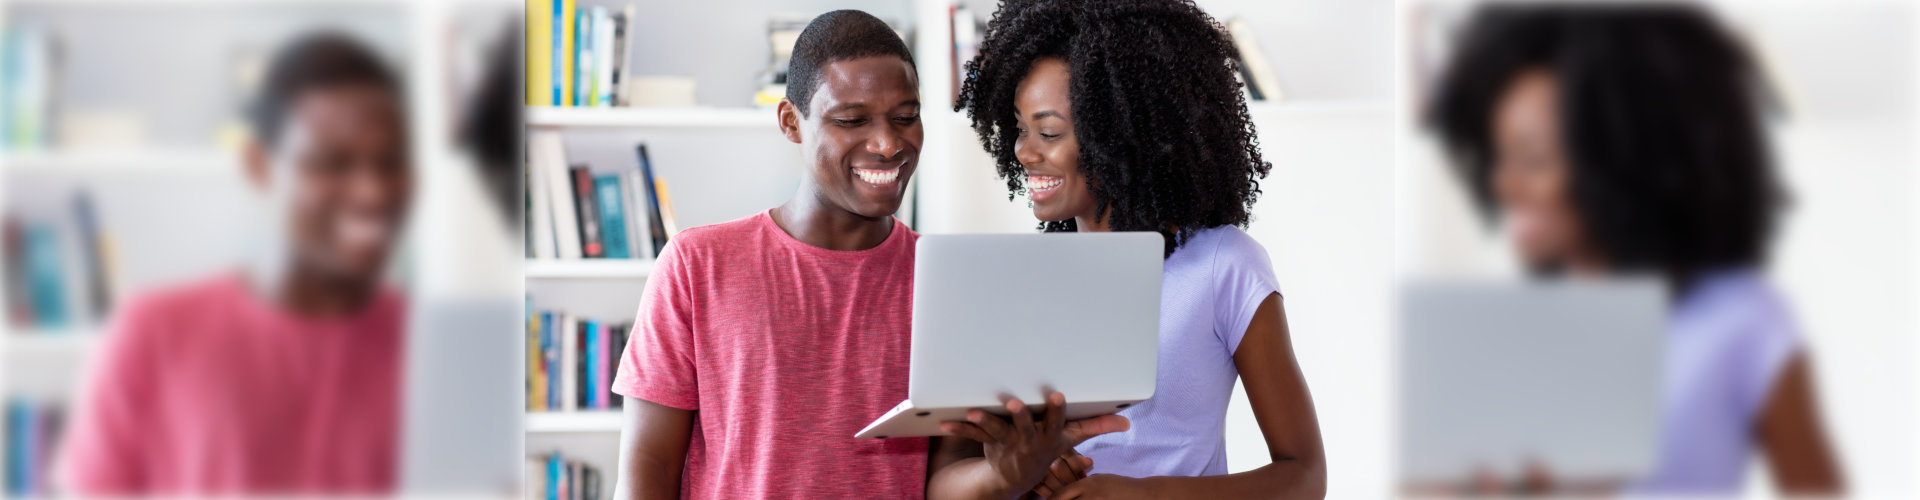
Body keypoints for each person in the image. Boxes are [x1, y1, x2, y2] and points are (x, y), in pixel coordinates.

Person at [1424, 4, 1844, 495]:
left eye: (1533, 159)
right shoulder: (1525, 328)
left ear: (1616, 157)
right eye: (1501, 158)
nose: (1505, 185)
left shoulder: (1743, 317)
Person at [929, 1, 1327, 498]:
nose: (1024, 151)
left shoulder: (1224, 265)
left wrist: (1145, 494)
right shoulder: (1024, 279)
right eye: (1020, 126)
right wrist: (1021, 472)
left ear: (1119, 134)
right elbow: (948, 483)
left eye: (1049, 131)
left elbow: (1304, 476)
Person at [608, 10, 968, 499]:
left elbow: (950, 477)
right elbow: (648, 466)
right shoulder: (697, 264)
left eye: (906, 117)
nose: (887, 144)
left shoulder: (946, 280)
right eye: (851, 120)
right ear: (791, 123)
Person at [54, 32, 413, 495]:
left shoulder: (436, 344)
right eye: (333, 164)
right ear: (259, 168)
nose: (374, 193)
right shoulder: (153, 332)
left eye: (391, 163)